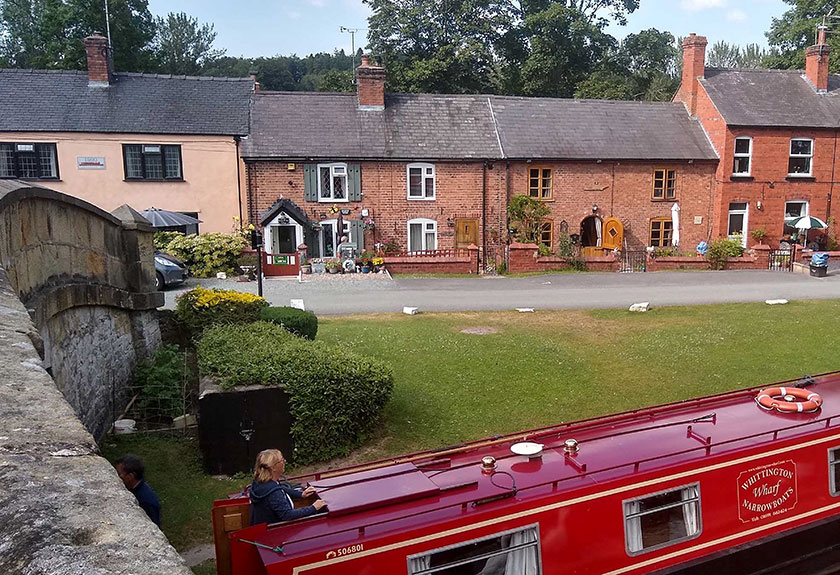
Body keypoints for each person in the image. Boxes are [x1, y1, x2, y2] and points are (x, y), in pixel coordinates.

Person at [249, 449, 327, 525]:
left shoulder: (259, 482)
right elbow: (288, 515)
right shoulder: (274, 493)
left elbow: (279, 487)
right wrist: (313, 508)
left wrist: (301, 494)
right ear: (273, 468)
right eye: (281, 460)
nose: (285, 462)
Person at [115, 454, 161, 527]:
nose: (115, 476)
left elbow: (154, 526)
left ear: (130, 476)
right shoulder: (132, 488)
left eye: (118, 474)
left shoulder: (146, 500)